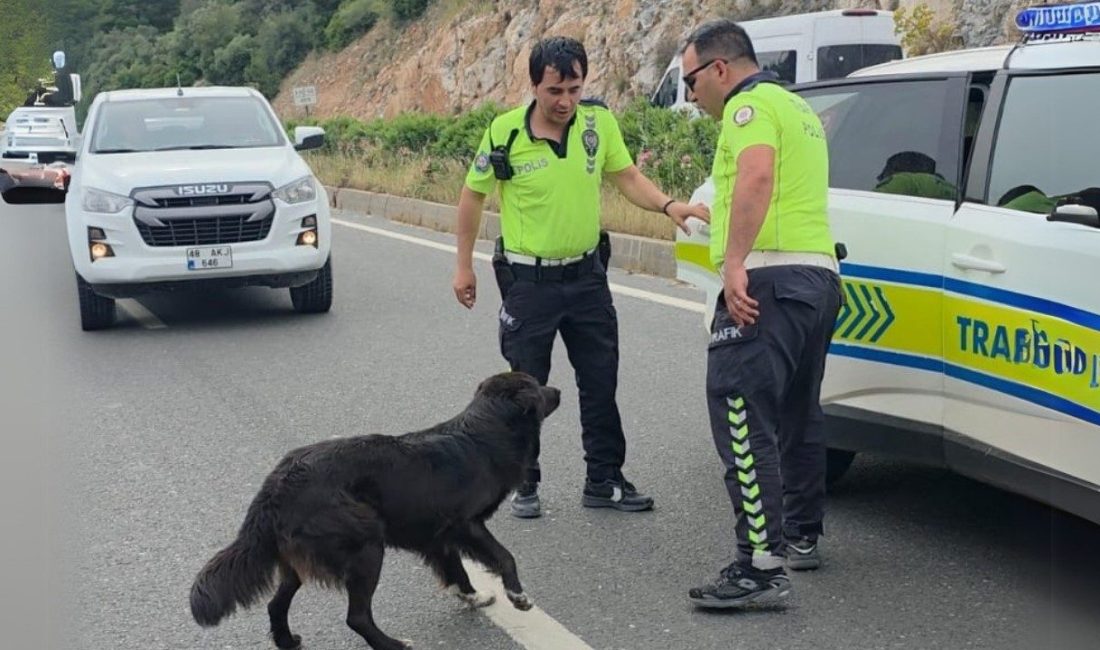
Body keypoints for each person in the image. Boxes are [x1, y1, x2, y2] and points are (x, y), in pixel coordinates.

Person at [452, 36, 709, 519]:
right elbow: (472, 197)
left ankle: (604, 479)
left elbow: (627, 175)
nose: (565, 100)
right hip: (529, 284)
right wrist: (463, 264)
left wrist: (669, 205)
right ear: (534, 86)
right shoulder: (504, 133)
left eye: (573, 88)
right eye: (554, 90)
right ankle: (523, 482)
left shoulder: (598, 122)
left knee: (599, 380)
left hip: (588, 278)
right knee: (526, 387)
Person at [678, 19, 843, 608]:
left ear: (720, 69)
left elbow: (756, 178)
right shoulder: (797, 109)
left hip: (768, 280)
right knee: (799, 412)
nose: (692, 95)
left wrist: (734, 265)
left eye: (692, 80)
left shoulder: (747, 112)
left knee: (741, 415)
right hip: (817, 279)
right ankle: (800, 535)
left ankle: (760, 565)